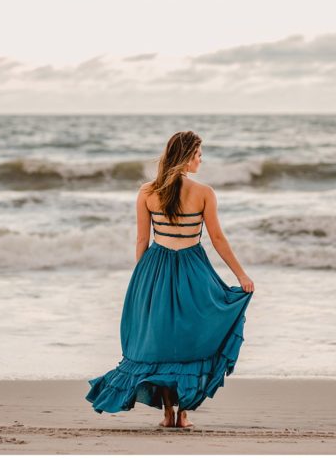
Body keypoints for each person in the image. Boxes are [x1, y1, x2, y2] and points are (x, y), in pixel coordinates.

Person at [85, 131, 255, 428]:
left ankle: (167, 414)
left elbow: (142, 239)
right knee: (191, 339)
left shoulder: (147, 191)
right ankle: (183, 414)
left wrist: (141, 281)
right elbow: (217, 239)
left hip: (155, 269)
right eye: (198, 155)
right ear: (188, 157)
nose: (201, 160)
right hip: (192, 268)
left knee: (161, 342)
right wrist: (241, 275)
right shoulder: (204, 192)